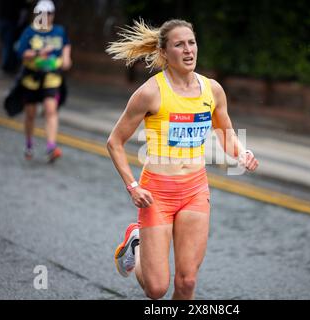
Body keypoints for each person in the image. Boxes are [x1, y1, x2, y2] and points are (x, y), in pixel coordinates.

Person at [106, 19, 259, 300]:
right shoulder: (150, 93)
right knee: (156, 289)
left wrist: (242, 153)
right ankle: (137, 242)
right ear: (165, 53)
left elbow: (226, 134)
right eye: (179, 45)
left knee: (187, 282)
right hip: (157, 194)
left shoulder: (212, 90)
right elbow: (114, 142)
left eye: (192, 42)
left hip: (194, 191)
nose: (188, 50)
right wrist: (132, 186)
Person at [17, 0, 72, 162]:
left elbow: (66, 47)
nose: (45, 17)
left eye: (49, 14)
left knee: (50, 109)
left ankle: (51, 146)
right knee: (30, 113)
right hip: (31, 78)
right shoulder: (29, 32)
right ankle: (29, 144)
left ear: (53, 15)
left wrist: (66, 59)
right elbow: (21, 53)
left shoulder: (59, 31)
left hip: (51, 77)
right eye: (42, 14)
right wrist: (38, 53)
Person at [0, 0, 33, 75]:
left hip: (7, 20)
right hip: (9, 21)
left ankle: (9, 65)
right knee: (9, 45)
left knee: (8, 45)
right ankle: (8, 66)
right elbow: (25, 7)